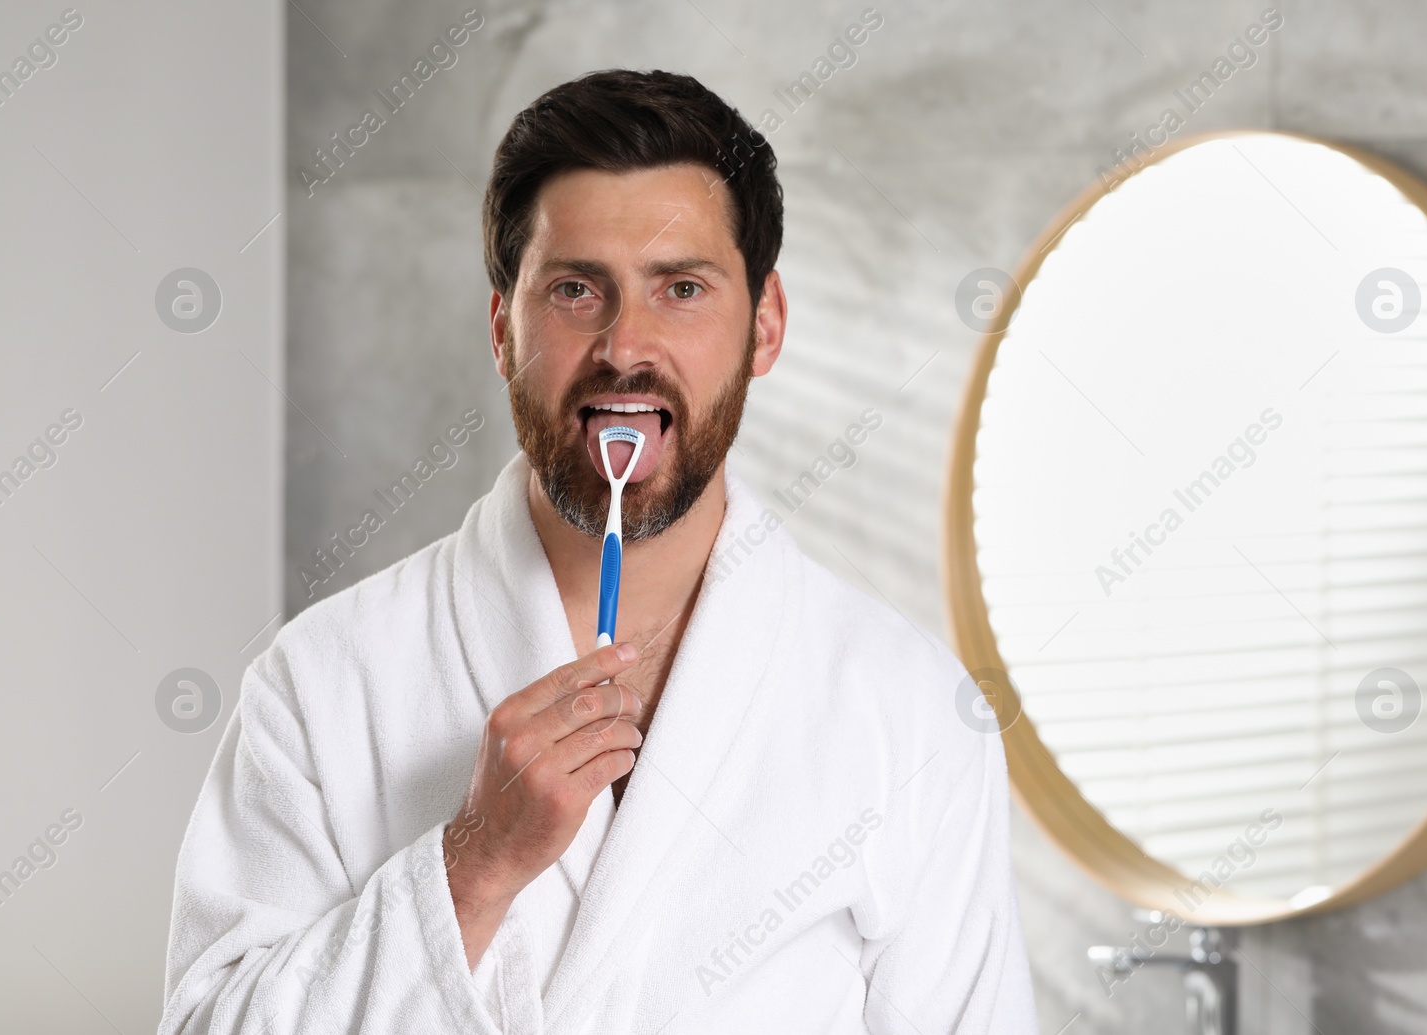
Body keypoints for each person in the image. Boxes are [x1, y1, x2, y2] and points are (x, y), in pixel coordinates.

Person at [159, 68, 1037, 1034]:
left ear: (766, 326)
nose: (627, 346)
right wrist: (474, 864)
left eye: (683, 289)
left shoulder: (909, 713)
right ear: (503, 329)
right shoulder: (321, 683)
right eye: (576, 289)